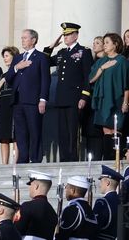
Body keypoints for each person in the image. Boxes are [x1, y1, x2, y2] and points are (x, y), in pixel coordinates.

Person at [44, 22, 93, 162]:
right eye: (64, 34)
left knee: (72, 131)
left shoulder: (84, 51)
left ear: (76, 35)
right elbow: (45, 60)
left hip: (74, 98)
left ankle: (73, 159)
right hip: (61, 98)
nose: (65, 37)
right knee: (62, 132)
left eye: (68, 34)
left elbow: (87, 76)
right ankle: (65, 159)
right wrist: (52, 46)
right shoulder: (61, 53)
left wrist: (84, 96)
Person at [5, 29, 50, 163]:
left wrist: (43, 99)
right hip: (18, 101)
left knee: (34, 130)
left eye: (25, 38)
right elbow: (8, 78)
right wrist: (16, 67)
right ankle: (22, 159)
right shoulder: (18, 58)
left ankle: (35, 158)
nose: (22, 40)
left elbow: (45, 80)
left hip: (33, 101)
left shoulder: (41, 57)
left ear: (33, 40)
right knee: (20, 132)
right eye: (22, 38)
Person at [89, 33, 129, 160]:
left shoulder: (122, 60)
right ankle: (108, 158)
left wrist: (126, 102)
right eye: (104, 43)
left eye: (107, 42)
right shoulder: (101, 61)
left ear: (115, 44)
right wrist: (102, 68)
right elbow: (91, 79)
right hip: (103, 100)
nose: (104, 45)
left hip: (117, 99)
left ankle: (116, 157)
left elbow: (126, 83)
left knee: (116, 129)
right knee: (106, 129)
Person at [81, 36, 105, 161]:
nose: (94, 45)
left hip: (100, 100)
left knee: (97, 132)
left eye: (98, 43)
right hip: (90, 101)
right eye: (93, 42)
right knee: (89, 132)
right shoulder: (92, 61)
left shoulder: (105, 61)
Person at [15, 170, 58, 240]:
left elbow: (16, 231)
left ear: (36, 186)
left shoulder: (27, 206)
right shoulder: (53, 213)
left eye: (30, 184)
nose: (29, 188)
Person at [0, 46, 20, 164]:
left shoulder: (20, 72)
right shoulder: (3, 75)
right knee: (3, 137)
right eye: (3, 56)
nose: (4, 59)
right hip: (4, 107)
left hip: (15, 104)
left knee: (16, 135)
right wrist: (2, 81)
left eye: (7, 56)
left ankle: (15, 162)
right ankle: (4, 164)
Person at [93, 165, 123, 239]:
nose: (100, 184)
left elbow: (93, 227)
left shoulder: (102, 202)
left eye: (101, 181)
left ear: (107, 182)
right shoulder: (121, 202)